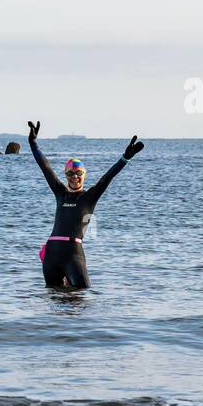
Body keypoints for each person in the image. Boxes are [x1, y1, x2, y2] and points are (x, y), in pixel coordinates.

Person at [28, 120, 143, 289]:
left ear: (84, 175)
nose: (75, 177)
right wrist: (33, 144)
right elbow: (45, 167)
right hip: (52, 254)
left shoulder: (90, 197)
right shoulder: (60, 192)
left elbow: (107, 178)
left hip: (73, 254)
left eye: (79, 173)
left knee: (82, 297)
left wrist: (124, 158)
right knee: (53, 302)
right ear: (66, 175)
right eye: (70, 173)